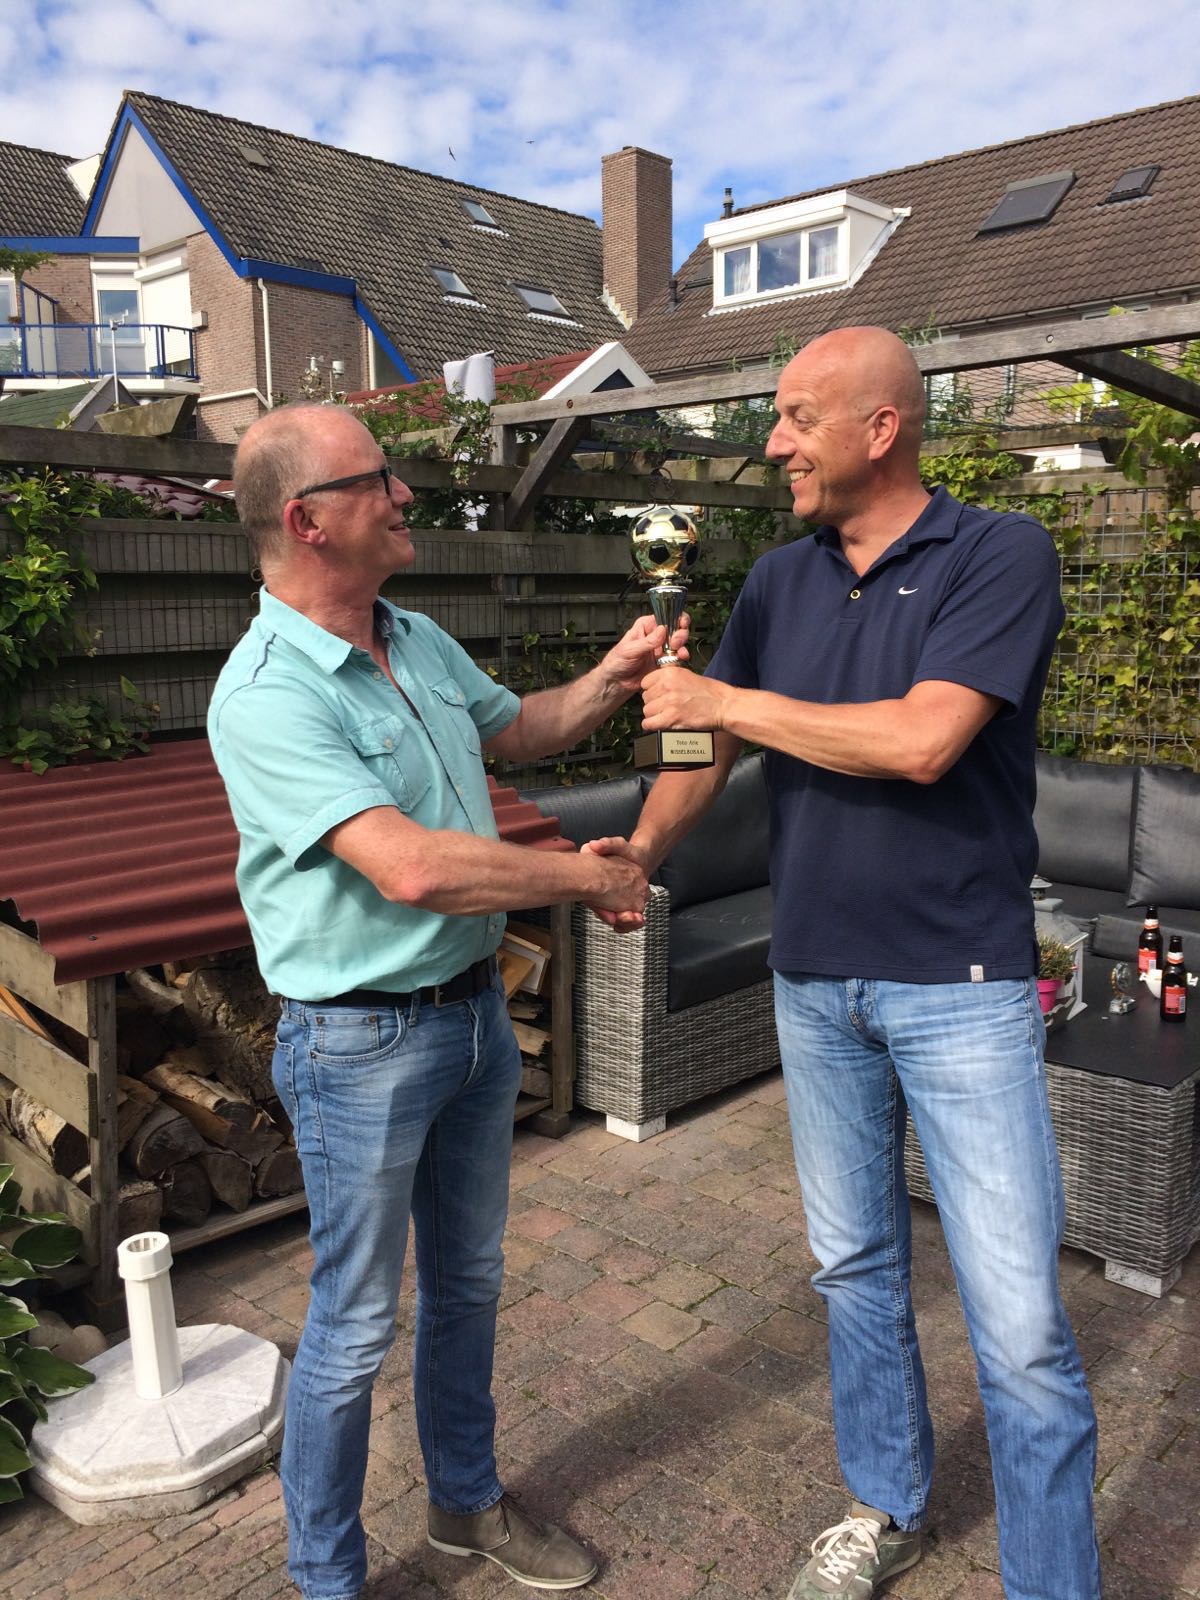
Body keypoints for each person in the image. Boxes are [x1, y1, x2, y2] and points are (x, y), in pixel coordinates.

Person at [587, 327, 1100, 1600]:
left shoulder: (999, 553)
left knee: (1019, 1325)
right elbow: (706, 751)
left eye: (796, 418)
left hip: (959, 987)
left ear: (882, 429)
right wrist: (640, 853)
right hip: (814, 982)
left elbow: (925, 741)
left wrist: (725, 704)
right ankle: (887, 1504)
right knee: (856, 1268)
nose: (774, 444)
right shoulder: (779, 581)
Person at [208, 401, 679, 1600]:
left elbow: (522, 731)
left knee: (467, 1284)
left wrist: (617, 675)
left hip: (473, 1018)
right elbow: (410, 867)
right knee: (355, 1323)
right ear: (309, 521)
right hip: (359, 1043)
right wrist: (589, 877)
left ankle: (465, 1506)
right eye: (377, 480)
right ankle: (327, 1577)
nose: (405, 494)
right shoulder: (265, 693)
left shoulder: (410, 636)